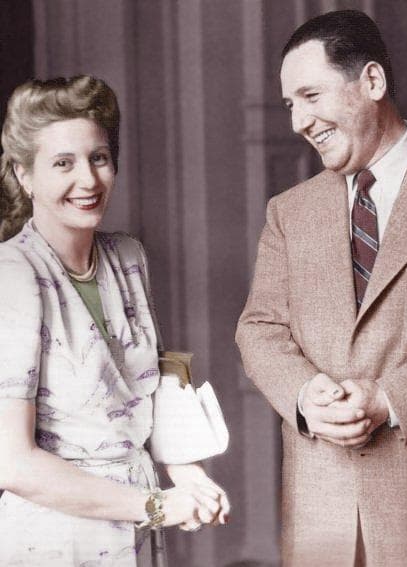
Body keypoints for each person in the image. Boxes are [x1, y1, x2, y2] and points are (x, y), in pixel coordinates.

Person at [0, 75, 229, 566]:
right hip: (53, 537)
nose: (88, 180)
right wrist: (154, 505)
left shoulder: (128, 256)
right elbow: (12, 463)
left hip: (138, 529)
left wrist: (188, 475)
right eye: (63, 163)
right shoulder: (11, 275)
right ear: (24, 174)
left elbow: (159, 381)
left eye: (98, 158)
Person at [236, 10, 407, 567]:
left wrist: (392, 400)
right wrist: (304, 394)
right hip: (319, 515)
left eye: (310, 96)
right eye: (289, 105)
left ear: (372, 81)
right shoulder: (288, 212)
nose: (299, 121)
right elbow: (259, 329)